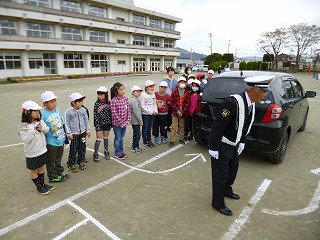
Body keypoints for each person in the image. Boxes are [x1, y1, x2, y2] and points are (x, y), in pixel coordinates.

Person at [208, 75, 271, 216]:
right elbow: (218, 126)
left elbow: (245, 124)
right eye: (263, 91)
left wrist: (242, 141)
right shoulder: (232, 103)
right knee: (220, 175)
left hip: (235, 143)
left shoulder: (251, 103)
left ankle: (226, 190)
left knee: (233, 169)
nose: (265, 94)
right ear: (253, 91)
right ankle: (217, 202)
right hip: (223, 144)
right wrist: (213, 147)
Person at [18, 100, 54, 195]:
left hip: (42, 150)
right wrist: (31, 129)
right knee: (34, 170)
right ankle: (39, 187)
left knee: (41, 168)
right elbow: (26, 140)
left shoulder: (39, 120)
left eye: (38, 110)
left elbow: (47, 130)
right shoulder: (23, 126)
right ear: (27, 112)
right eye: (35, 111)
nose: (37, 112)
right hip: (32, 153)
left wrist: (42, 128)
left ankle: (43, 185)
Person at [41, 91, 70, 183]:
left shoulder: (58, 111)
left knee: (58, 158)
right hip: (51, 142)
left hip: (60, 140)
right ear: (45, 103)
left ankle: (59, 172)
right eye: (51, 102)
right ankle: (52, 176)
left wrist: (65, 137)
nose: (54, 104)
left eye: (54, 101)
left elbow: (63, 124)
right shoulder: (42, 114)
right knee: (51, 160)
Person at [65, 92, 91, 173]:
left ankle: (81, 161)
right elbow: (66, 123)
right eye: (79, 101)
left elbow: (86, 120)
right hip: (74, 134)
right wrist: (69, 133)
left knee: (82, 147)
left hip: (82, 133)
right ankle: (71, 163)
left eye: (82, 101)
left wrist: (88, 130)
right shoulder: (68, 112)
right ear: (73, 102)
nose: (81, 103)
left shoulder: (83, 110)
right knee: (74, 149)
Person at [110, 82, 131, 160]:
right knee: (118, 138)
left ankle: (121, 151)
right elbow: (114, 114)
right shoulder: (114, 101)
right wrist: (121, 123)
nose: (123, 91)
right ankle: (118, 152)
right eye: (121, 90)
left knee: (122, 138)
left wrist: (127, 120)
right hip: (117, 124)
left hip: (124, 123)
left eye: (123, 89)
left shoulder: (125, 99)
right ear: (116, 91)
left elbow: (128, 110)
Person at [169, 76, 190, 147]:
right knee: (174, 126)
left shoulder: (187, 92)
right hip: (175, 112)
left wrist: (182, 112)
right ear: (178, 83)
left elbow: (187, 103)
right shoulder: (174, 91)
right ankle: (172, 140)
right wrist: (177, 111)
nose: (183, 84)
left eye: (184, 82)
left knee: (181, 126)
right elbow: (172, 102)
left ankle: (181, 139)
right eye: (181, 82)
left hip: (183, 113)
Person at [93, 86, 112, 162]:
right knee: (99, 139)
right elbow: (95, 115)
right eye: (98, 94)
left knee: (106, 138)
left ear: (106, 94)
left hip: (107, 123)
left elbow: (111, 114)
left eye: (101, 94)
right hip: (100, 124)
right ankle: (95, 153)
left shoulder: (109, 102)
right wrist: (97, 125)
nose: (99, 96)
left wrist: (111, 123)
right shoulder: (97, 104)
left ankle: (106, 151)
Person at [141, 80, 158, 148]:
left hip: (152, 114)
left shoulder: (153, 94)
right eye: (150, 87)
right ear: (146, 87)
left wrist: (155, 110)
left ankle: (149, 140)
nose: (152, 88)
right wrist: (150, 112)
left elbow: (154, 103)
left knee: (149, 128)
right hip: (146, 114)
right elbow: (143, 106)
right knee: (145, 128)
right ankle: (145, 141)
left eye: (153, 87)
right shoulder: (143, 95)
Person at [161, 66, 177, 132]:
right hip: (166, 97)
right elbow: (163, 89)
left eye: (172, 71)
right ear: (167, 72)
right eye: (170, 72)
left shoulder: (175, 80)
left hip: (173, 98)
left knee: (171, 112)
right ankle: (165, 125)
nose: (171, 73)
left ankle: (169, 125)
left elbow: (176, 89)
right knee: (165, 112)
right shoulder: (164, 80)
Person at [129, 85, 143, 153]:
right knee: (137, 134)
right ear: (133, 92)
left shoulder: (134, 100)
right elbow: (136, 112)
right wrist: (140, 121)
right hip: (135, 121)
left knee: (137, 133)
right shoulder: (134, 101)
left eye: (139, 91)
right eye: (137, 91)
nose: (139, 93)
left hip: (135, 120)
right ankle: (135, 147)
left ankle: (135, 146)